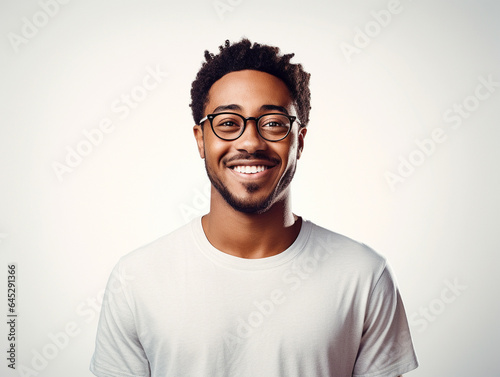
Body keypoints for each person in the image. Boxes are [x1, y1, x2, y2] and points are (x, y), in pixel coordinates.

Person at [90, 38, 418, 377]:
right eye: (229, 123)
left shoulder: (363, 276)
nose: (250, 142)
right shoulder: (137, 279)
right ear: (201, 139)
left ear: (299, 141)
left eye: (273, 122)